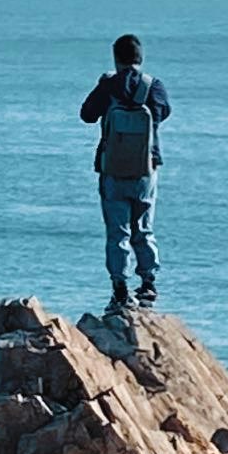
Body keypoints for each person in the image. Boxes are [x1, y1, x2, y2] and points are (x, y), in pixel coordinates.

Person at [78, 31, 171, 313]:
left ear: (116, 58)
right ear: (140, 59)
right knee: (143, 227)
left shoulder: (109, 85)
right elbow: (163, 113)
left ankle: (120, 289)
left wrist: (105, 88)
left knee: (116, 231)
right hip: (146, 169)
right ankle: (148, 284)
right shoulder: (154, 86)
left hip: (112, 171)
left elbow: (87, 115)